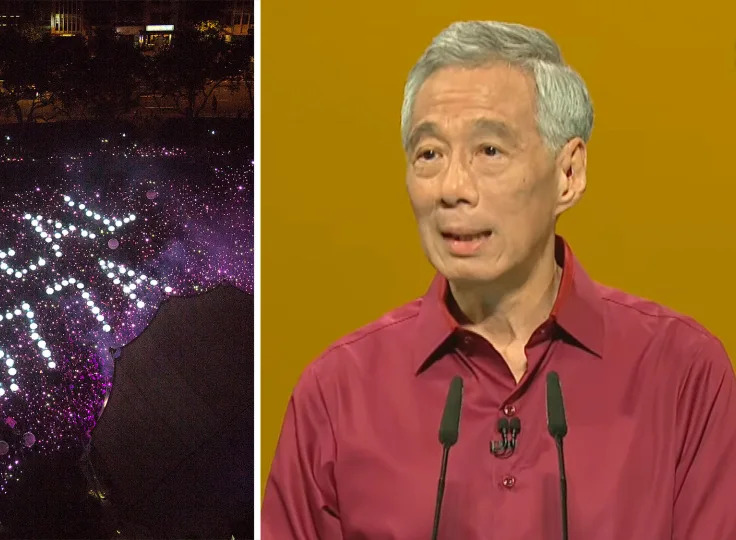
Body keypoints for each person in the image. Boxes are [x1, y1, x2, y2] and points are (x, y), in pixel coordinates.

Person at [262, 20, 736, 540]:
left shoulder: (684, 376)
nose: (452, 188)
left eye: (489, 151)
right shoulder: (336, 394)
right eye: (429, 154)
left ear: (568, 174)